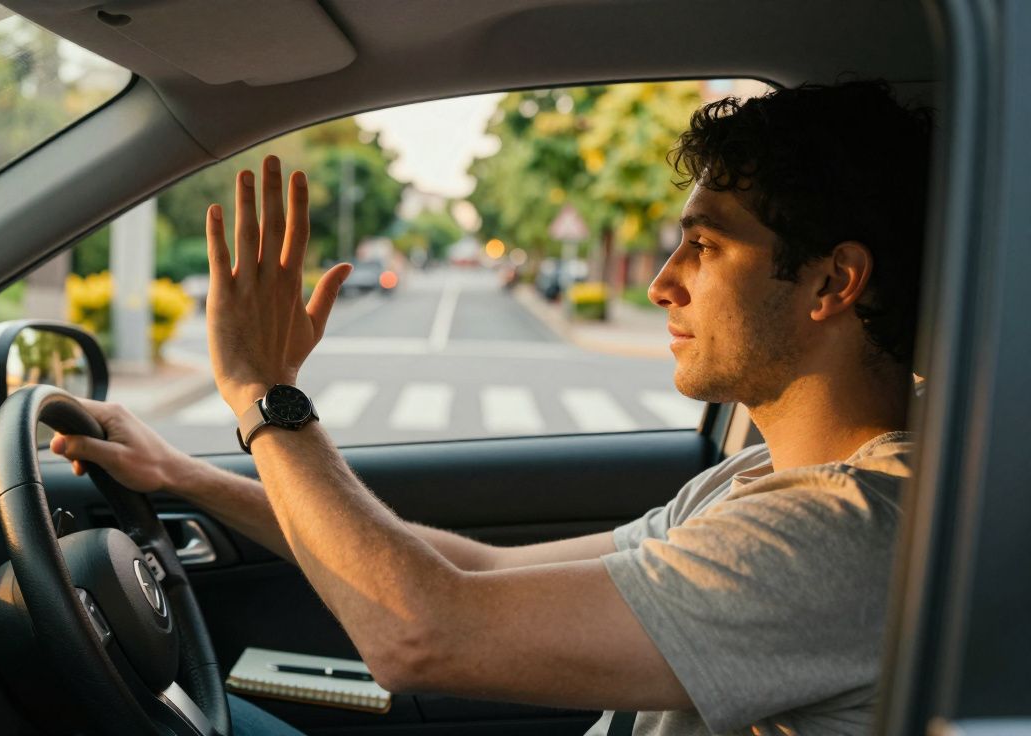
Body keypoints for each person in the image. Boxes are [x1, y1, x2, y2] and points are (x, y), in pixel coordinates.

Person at [51, 80, 932, 735]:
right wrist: (184, 475)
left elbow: (422, 632)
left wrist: (262, 394)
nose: (663, 284)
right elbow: (474, 571)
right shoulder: (761, 479)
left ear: (831, 282)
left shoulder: (849, 532)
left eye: (703, 247)